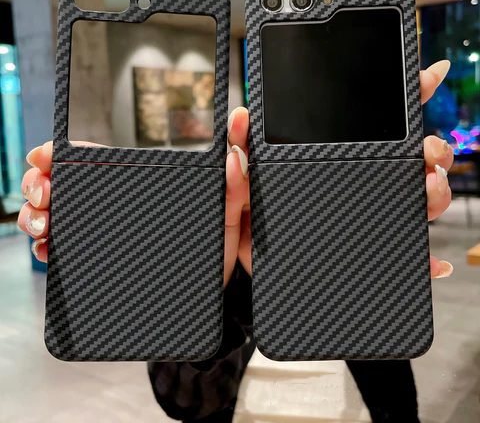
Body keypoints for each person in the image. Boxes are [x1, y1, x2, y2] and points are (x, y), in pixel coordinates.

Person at [18, 60, 454, 422]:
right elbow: (186, 401)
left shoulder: (352, 235)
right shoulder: (223, 217)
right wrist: (204, 274)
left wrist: (365, 261)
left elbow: (395, 399)